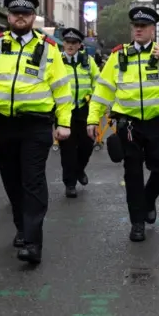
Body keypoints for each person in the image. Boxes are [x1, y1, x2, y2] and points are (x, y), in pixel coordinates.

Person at [0, 0, 73, 264]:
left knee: (33, 180)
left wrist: (64, 123)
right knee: (12, 181)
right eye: (16, 13)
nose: (20, 18)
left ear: (33, 17)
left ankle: (32, 242)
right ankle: (22, 228)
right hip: (3, 125)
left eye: (25, 14)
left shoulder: (49, 48)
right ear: (9, 16)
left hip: (36, 125)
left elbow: (62, 89)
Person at [86, 6, 159, 242]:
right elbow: (102, 90)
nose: (139, 30)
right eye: (136, 26)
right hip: (128, 125)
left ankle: (148, 199)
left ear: (153, 29)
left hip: (156, 123)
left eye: (144, 26)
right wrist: (93, 118)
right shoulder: (119, 55)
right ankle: (137, 222)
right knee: (132, 175)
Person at [58, 27, 100, 198]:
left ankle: (79, 169)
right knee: (67, 149)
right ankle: (70, 183)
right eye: (67, 42)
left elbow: (98, 83)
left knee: (87, 145)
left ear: (79, 45)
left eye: (73, 43)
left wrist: (96, 101)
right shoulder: (56, 61)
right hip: (63, 110)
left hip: (84, 108)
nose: (70, 45)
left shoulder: (88, 61)